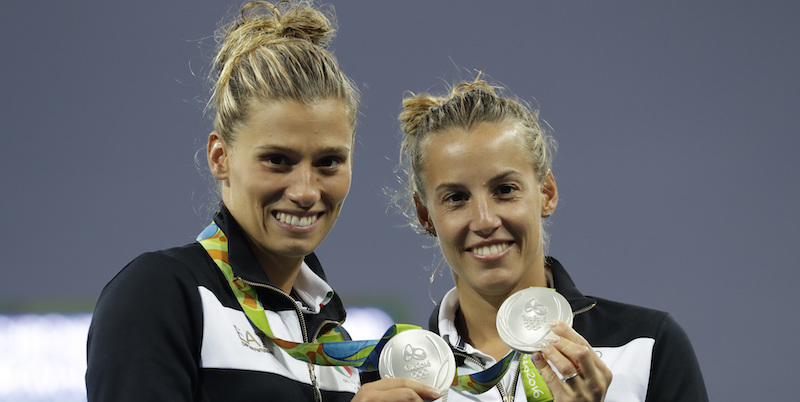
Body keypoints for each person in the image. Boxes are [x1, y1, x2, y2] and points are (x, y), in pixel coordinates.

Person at [86, 2, 441, 401]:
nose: (306, 191)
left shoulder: (332, 338)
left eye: (328, 162)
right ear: (220, 157)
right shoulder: (159, 293)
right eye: (277, 160)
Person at [395, 76, 709, 401]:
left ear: (546, 193)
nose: (485, 220)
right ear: (425, 216)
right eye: (456, 198)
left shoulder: (645, 347)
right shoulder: (398, 379)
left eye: (505, 190)